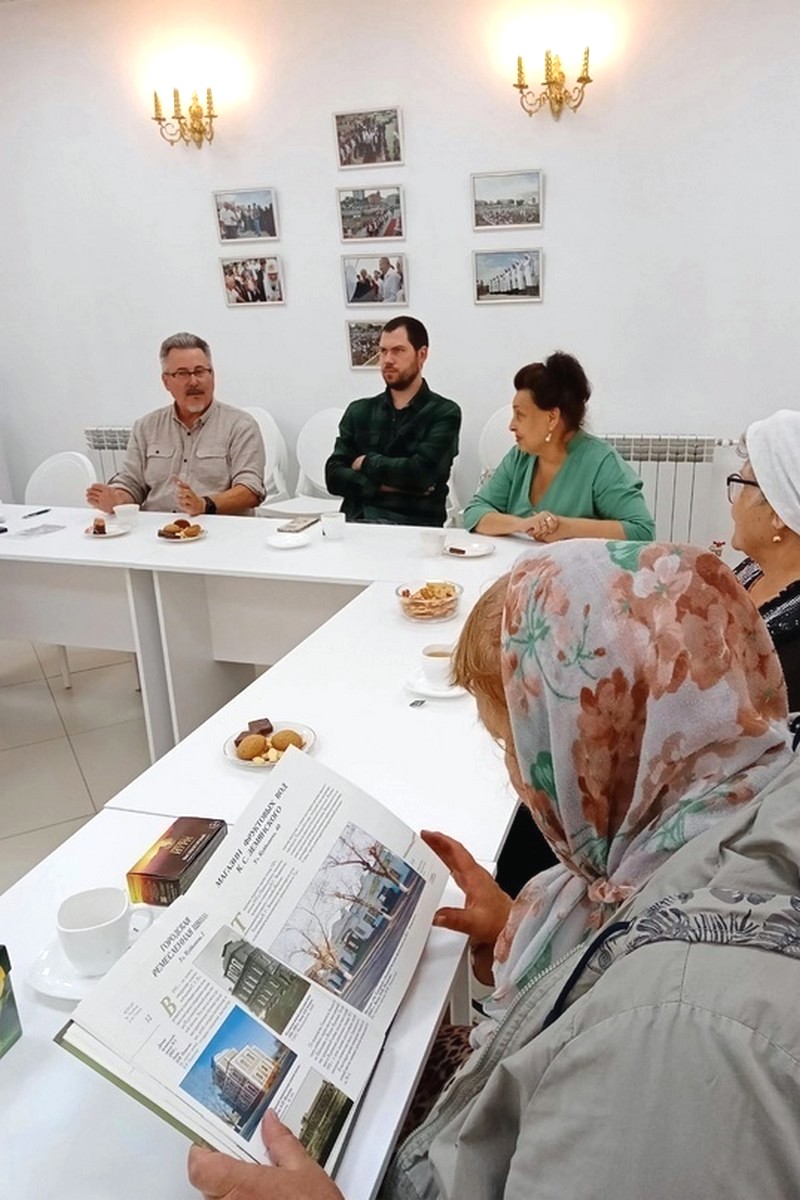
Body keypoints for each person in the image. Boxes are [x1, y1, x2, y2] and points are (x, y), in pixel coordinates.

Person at [186, 540, 800, 1200]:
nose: (515, 776)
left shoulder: (674, 1041)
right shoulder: (742, 795)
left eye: (517, 746)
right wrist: (518, 925)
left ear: (596, 744)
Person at [463, 351, 655, 542]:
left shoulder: (600, 463)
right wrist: (523, 524)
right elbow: (475, 512)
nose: (511, 425)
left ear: (552, 417)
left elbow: (642, 531)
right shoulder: (519, 458)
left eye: (519, 415)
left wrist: (566, 528)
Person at [86, 332, 265, 516]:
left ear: (212, 375)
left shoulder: (240, 425)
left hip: (218, 531)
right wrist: (116, 500)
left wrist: (204, 504)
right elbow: (132, 483)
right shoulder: (146, 427)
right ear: (166, 381)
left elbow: (251, 490)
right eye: (183, 374)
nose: (194, 381)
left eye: (200, 371)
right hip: (157, 531)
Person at [325, 317, 461, 526]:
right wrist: (383, 486)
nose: (387, 359)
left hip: (414, 530)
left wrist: (364, 462)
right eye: (383, 351)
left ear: (421, 354)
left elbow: (421, 475)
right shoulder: (359, 411)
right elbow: (333, 476)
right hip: (357, 525)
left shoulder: (443, 413)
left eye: (398, 350)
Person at [729, 408, 800, 710]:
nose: (733, 505)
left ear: (778, 515)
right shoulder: (753, 570)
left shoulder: (790, 640)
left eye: (741, 486)